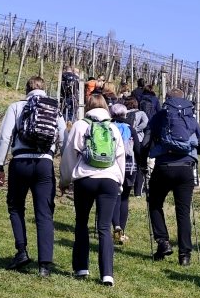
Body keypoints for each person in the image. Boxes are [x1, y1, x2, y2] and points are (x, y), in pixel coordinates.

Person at [0, 77, 67, 277]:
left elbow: (5, 136)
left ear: (27, 90)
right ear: (44, 89)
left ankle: (21, 251)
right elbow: (64, 137)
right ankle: (45, 265)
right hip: (45, 163)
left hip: (20, 162)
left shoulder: (16, 107)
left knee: (16, 206)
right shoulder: (55, 108)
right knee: (44, 213)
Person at [60, 94, 126, 286]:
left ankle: (82, 268)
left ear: (87, 106)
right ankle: (107, 274)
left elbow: (69, 154)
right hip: (110, 180)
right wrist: (119, 183)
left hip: (85, 178)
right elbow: (120, 157)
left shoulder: (81, 125)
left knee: (81, 222)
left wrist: (64, 180)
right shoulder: (113, 127)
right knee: (104, 227)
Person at [146, 88, 200, 265]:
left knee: (155, 203)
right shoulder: (191, 120)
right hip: (185, 170)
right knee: (183, 212)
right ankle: (185, 256)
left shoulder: (159, 117)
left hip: (163, 168)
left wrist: (146, 158)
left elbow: (145, 143)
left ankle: (163, 242)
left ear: (167, 101)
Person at [110, 103, 139, 245]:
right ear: (125, 114)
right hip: (129, 167)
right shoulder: (130, 129)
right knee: (125, 198)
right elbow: (138, 149)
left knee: (115, 197)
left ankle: (116, 227)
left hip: (112, 166)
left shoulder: (108, 127)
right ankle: (122, 231)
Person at [123, 96, 150, 196]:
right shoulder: (141, 113)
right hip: (139, 139)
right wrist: (137, 129)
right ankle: (138, 191)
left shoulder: (125, 114)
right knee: (139, 164)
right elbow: (146, 122)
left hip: (127, 140)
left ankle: (125, 185)